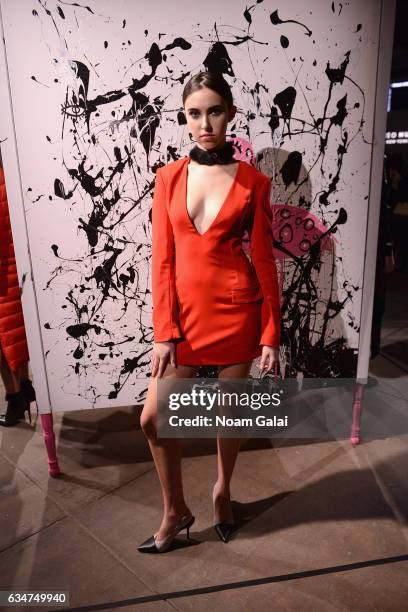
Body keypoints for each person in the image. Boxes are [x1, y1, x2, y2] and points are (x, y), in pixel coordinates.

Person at [137, 71, 281, 554]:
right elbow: (161, 259)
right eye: (195, 113)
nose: (205, 123)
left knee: (229, 413)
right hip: (183, 319)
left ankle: (223, 492)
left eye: (215, 111)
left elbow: (263, 259)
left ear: (231, 114)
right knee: (154, 419)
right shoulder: (168, 177)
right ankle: (175, 510)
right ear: (184, 117)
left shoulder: (253, 182)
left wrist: (272, 332)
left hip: (238, 310)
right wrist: (163, 331)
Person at [0, 150, 36, 427]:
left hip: (5, 271)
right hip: (15, 269)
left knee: (5, 339)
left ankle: (14, 398)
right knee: (17, 331)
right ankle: (24, 385)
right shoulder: (11, 172)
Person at [370, 154, 395, 358]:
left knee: (376, 303)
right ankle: (370, 350)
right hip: (372, 248)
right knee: (374, 303)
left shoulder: (379, 165)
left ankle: (371, 350)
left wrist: (388, 251)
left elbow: (385, 217)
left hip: (376, 249)